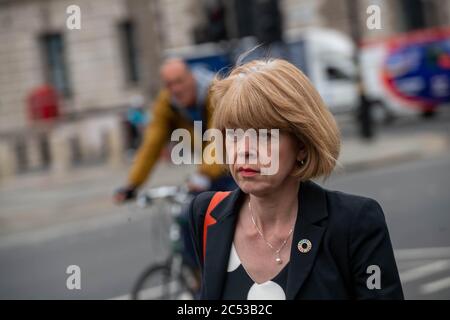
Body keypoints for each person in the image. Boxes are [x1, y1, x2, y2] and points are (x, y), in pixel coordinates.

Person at [187, 59, 404, 300]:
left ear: (301, 145)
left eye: (265, 135)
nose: (244, 150)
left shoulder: (356, 223)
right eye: (234, 134)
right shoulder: (206, 214)